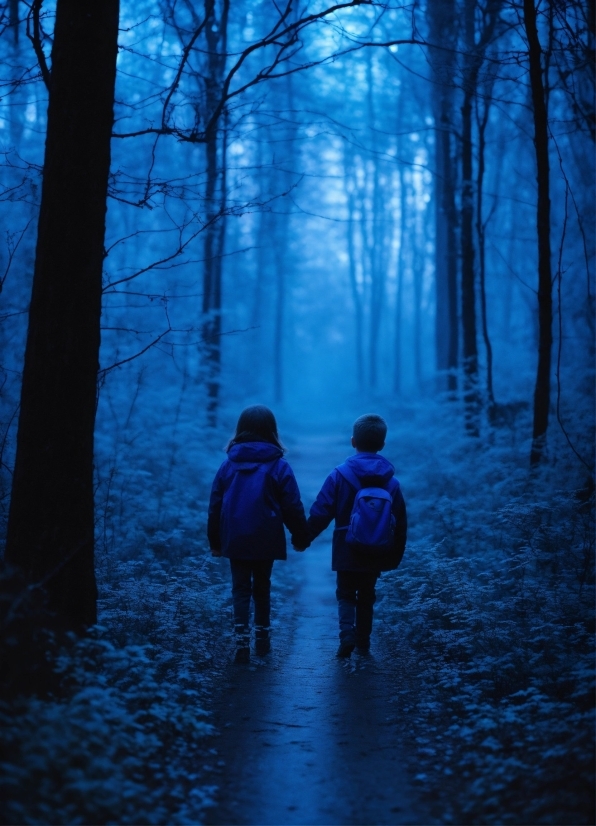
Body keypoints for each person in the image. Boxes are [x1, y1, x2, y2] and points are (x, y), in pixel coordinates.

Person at [207, 405, 310, 663]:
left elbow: (215, 507)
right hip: (266, 537)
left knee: (240, 589)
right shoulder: (278, 466)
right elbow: (292, 506)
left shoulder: (228, 465)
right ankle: (262, 643)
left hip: (235, 537)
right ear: (272, 431)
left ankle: (241, 646)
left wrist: (215, 542)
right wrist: (300, 536)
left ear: (240, 430)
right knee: (262, 588)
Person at [307, 413, 407, 658]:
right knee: (367, 594)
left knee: (345, 592)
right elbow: (401, 523)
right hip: (378, 547)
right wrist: (395, 556)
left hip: (346, 546)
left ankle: (346, 635)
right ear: (382, 444)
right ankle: (364, 642)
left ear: (353, 441)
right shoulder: (392, 483)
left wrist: (303, 537)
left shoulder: (340, 475)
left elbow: (322, 510)